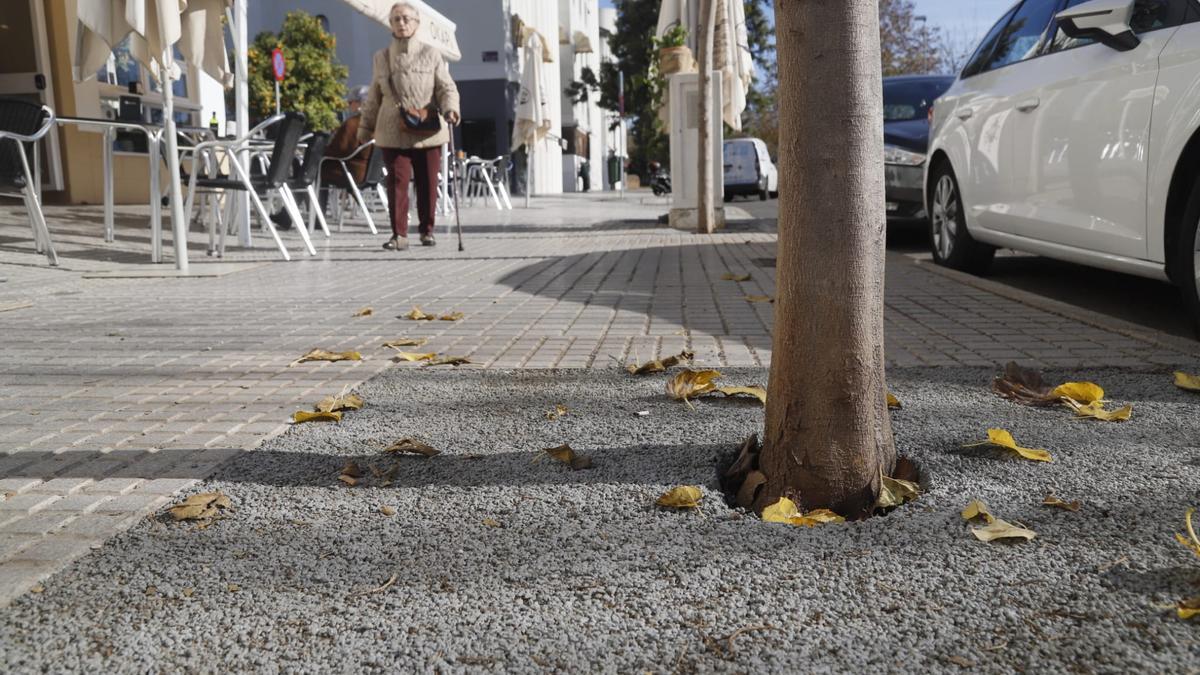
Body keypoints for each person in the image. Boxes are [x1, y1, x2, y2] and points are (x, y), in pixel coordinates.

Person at [359, 2, 460, 250]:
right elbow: (373, 96)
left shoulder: (431, 53)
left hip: (427, 130)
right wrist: (365, 127)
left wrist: (451, 108)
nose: (401, 23)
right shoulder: (381, 57)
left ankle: (427, 231)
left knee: (427, 183)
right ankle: (399, 235)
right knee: (396, 183)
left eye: (406, 19)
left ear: (416, 23)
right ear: (390, 24)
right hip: (392, 129)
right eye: (396, 19)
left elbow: (446, 87)